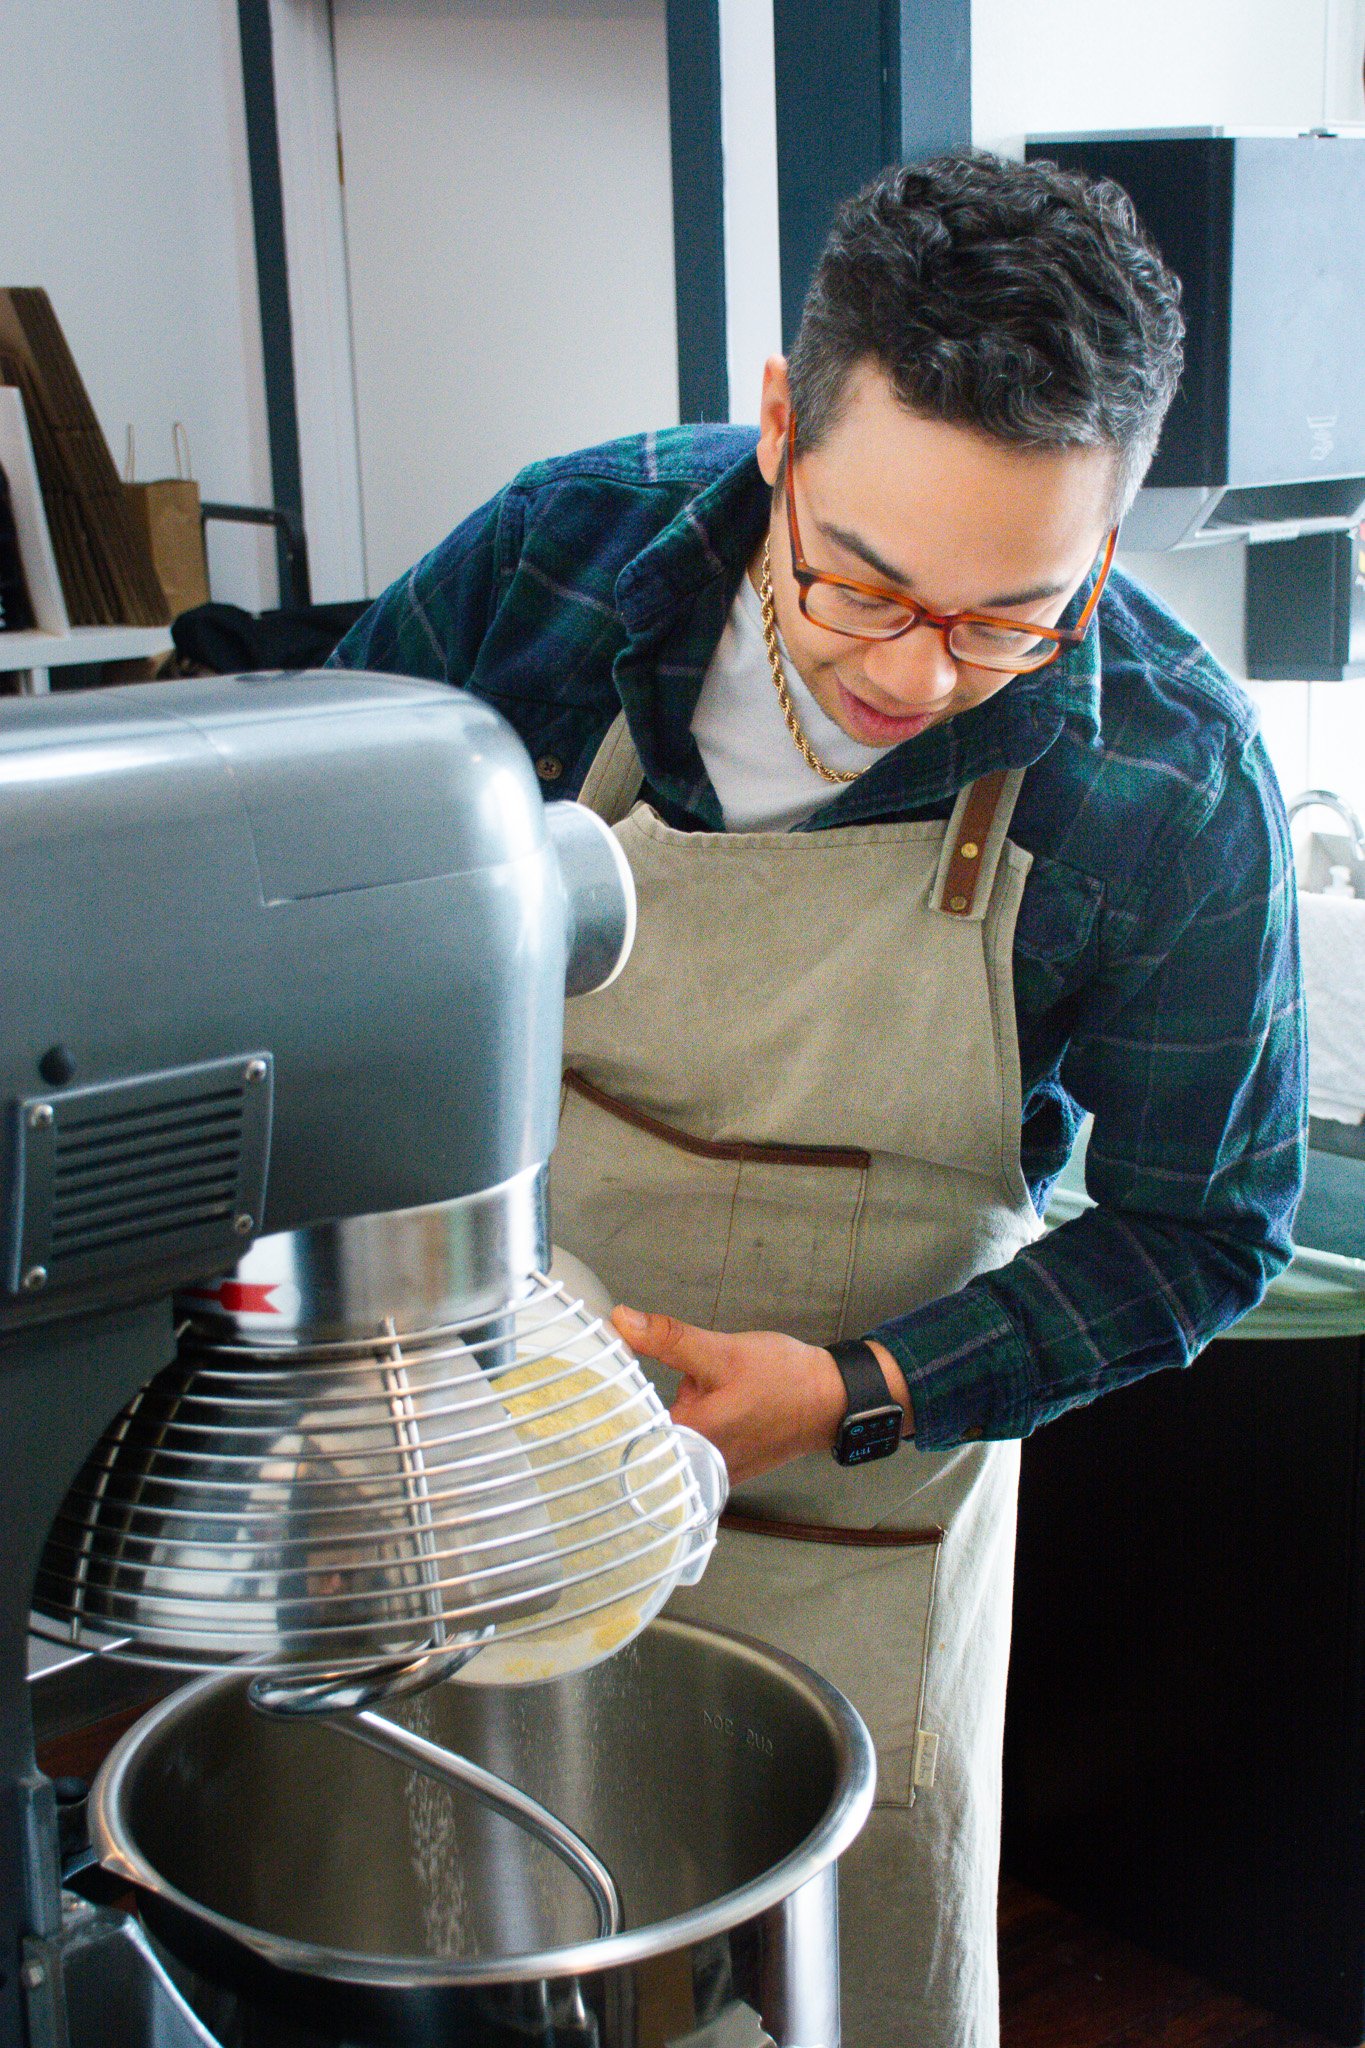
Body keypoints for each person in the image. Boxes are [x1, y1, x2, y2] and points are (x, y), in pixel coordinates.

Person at [330, 152, 1305, 2048]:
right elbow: (332, 917)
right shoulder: (555, 562)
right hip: (495, 1474)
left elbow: (1205, 1230)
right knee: (492, 1950)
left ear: (1104, 539)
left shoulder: (1168, 781)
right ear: (782, 424)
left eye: (1013, 614)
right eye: (859, 586)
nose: (916, 676)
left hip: (863, 1504)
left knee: (845, 1984)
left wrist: (845, 1395)